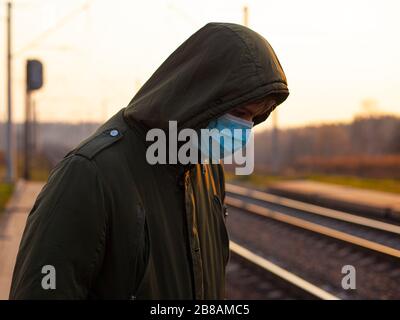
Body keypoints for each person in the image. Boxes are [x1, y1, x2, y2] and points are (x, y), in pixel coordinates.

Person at [9, 22, 289, 300]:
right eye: (239, 111)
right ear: (200, 96)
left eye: (254, 117)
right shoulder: (89, 174)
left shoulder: (206, 171)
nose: (244, 128)